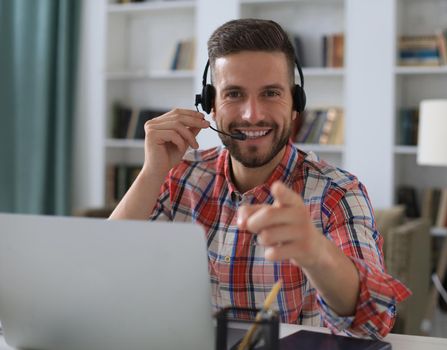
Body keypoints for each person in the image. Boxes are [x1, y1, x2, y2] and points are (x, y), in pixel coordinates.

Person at [110, 18, 410, 338]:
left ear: (296, 104)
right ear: (210, 103)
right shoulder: (179, 177)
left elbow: (374, 321)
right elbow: (100, 273)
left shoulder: (338, 193)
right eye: (234, 94)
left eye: (270, 93)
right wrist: (151, 172)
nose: (252, 114)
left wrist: (315, 251)